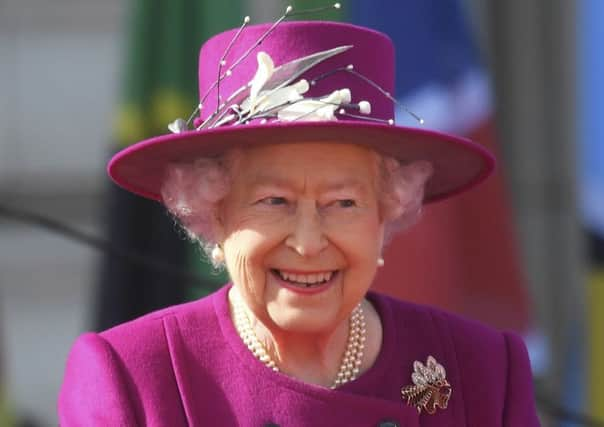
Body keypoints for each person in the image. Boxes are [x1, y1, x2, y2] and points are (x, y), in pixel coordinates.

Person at [58, 15, 541, 427]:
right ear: (214, 214)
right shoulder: (134, 379)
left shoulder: (483, 372)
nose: (309, 243)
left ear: (386, 213)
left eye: (343, 203)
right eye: (274, 201)